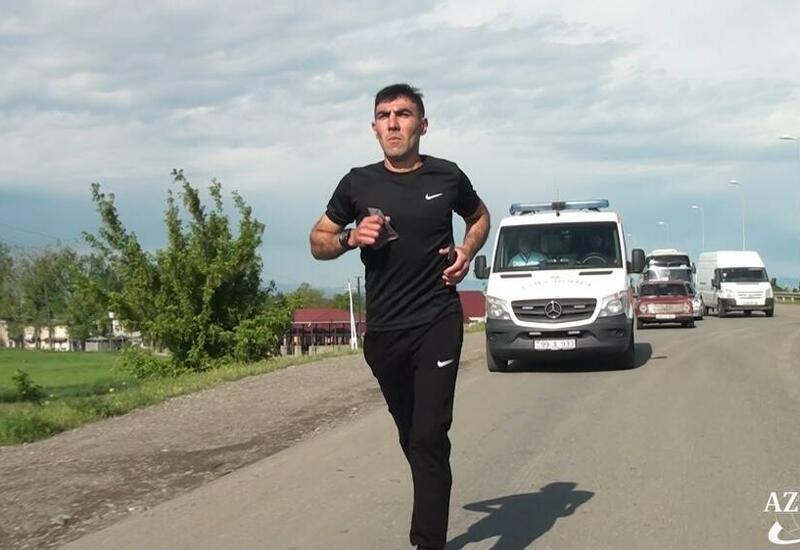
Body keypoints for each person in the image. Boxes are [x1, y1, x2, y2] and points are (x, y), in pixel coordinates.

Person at [310, 83, 490, 550]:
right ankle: (431, 495)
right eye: (384, 115)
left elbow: (479, 217)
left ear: (422, 125)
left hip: (437, 321)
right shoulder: (357, 183)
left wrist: (466, 252)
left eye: (403, 114)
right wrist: (350, 237)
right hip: (385, 332)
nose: (393, 122)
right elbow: (318, 241)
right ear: (374, 128)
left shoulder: (447, 176)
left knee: (429, 435)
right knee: (413, 436)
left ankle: (427, 541)